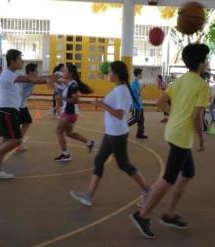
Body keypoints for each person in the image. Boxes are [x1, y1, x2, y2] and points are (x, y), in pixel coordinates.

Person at [130, 44, 210, 239]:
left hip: (174, 131)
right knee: (169, 178)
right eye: (206, 60)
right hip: (182, 135)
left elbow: (160, 102)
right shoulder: (202, 85)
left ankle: (169, 213)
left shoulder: (181, 80)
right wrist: (201, 138)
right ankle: (142, 214)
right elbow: (196, 118)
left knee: (188, 173)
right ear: (200, 63)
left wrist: (174, 115)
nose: (208, 63)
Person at [70, 61, 151, 208]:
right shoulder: (119, 88)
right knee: (99, 160)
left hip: (117, 134)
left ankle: (147, 190)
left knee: (124, 165)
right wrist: (104, 104)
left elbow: (120, 114)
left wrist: (103, 105)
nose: (108, 74)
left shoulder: (121, 90)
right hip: (111, 132)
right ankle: (88, 195)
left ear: (117, 74)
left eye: (111, 72)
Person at [0, 49, 57, 180]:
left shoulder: (13, 73)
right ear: (12, 61)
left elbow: (31, 78)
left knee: (5, 141)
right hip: (7, 111)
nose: (22, 61)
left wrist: (50, 78)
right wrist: (47, 79)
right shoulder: (8, 75)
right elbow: (29, 78)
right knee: (16, 140)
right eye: (20, 59)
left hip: (9, 110)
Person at [53, 63, 95, 162]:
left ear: (70, 74)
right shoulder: (70, 83)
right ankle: (89, 142)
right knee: (69, 133)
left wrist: (62, 98)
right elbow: (59, 80)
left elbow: (76, 101)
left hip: (69, 112)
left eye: (65, 71)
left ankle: (65, 154)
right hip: (70, 112)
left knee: (59, 131)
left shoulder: (73, 85)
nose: (63, 72)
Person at [18, 63, 38, 151]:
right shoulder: (27, 80)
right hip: (18, 106)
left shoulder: (28, 80)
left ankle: (18, 141)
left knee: (27, 121)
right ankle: (14, 142)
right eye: (36, 71)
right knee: (17, 125)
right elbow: (38, 81)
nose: (37, 72)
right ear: (30, 71)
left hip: (22, 105)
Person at [128, 68, 148, 139]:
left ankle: (140, 133)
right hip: (136, 105)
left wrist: (142, 88)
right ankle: (123, 126)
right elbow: (136, 94)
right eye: (141, 74)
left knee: (141, 119)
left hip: (139, 104)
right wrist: (143, 87)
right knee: (135, 118)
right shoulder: (134, 83)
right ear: (139, 74)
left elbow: (138, 93)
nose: (142, 75)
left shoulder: (137, 82)